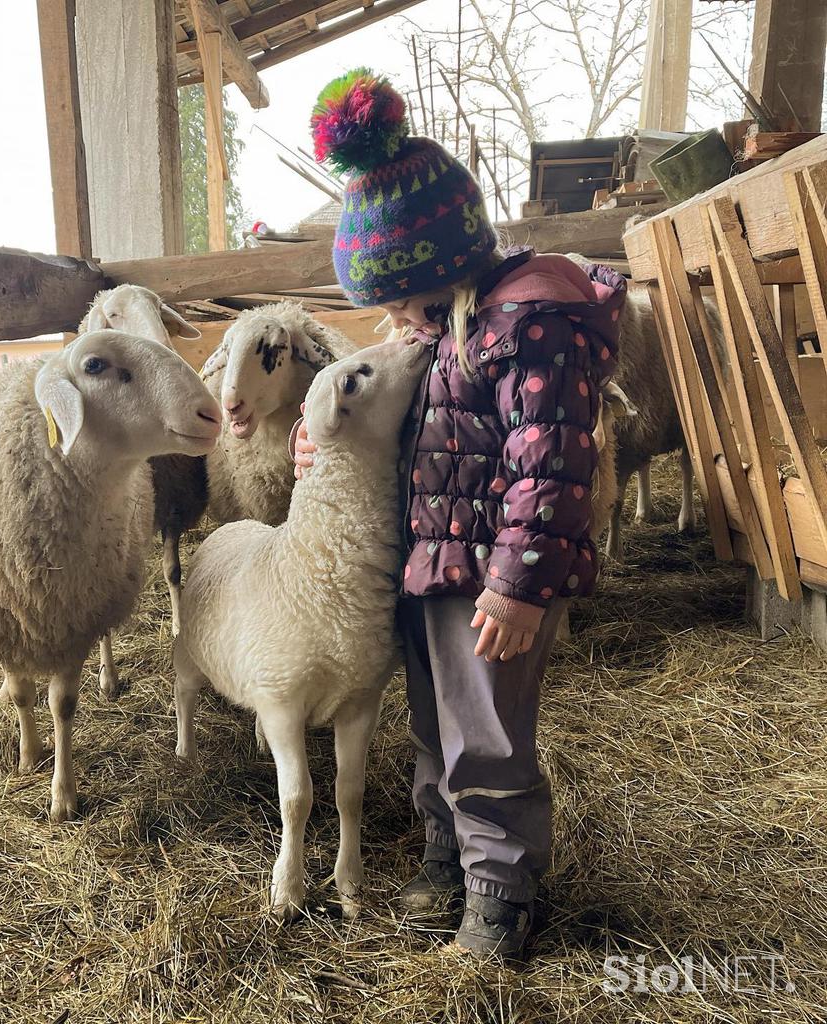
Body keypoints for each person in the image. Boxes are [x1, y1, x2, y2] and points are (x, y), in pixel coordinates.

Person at [295, 69, 626, 958]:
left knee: (485, 736)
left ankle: (500, 896)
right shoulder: (450, 329)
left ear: (438, 266)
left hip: (494, 579)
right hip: (436, 562)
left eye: (399, 296)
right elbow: (400, 416)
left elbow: (551, 464)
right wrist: (316, 435)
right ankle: (450, 857)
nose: (396, 319)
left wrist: (518, 586)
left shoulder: (526, 325)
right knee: (435, 726)